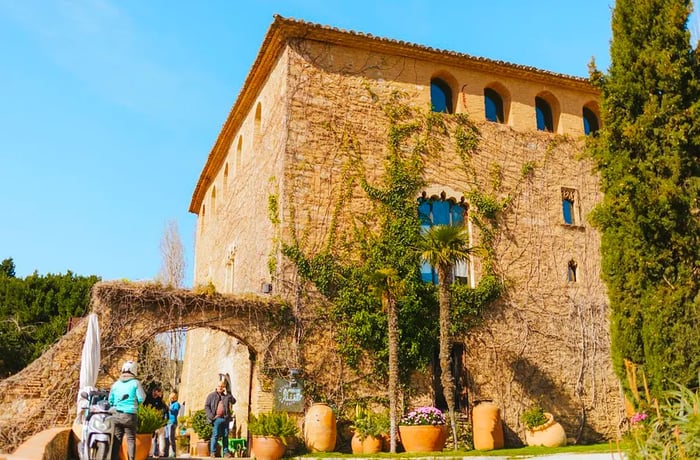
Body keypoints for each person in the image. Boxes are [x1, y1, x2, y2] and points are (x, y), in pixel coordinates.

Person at [108, 360, 146, 460]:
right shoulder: (135, 383)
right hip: (130, 415)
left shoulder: (115, 384)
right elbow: (142, 398)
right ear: (134, 371)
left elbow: (110, 400)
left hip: (116, 415)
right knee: (130, 439)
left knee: (116, 439)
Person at [204, 381, 236, 458]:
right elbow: (207, 406)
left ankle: (225, 453)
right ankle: (213, 452)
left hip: (225, 418)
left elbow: (233, 401)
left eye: (222, 386)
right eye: (219, 386)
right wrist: (212, 416)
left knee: (225, 435)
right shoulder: (211, 395)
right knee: (215, 435)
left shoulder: (226, 396)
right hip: (216, 419)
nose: (220, 388)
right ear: (217, 387)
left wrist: (228, 393)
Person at [144, 385, 168, 457]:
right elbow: (144, 406)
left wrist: (161, 416)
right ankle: (150, 453)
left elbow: (164, 408)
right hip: (150, 419)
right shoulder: (148, 397)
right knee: (152, 436)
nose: (159, 395)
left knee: (161, 436)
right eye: (158, 392)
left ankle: (161, 452)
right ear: (155, 391)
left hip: (159, 420)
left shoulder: (159, 399)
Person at [163, 392, 181, 458]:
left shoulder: (176, 404)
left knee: (171, 438)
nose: (170, 399)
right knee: (166, 438)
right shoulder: (170, 404)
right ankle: (166, 453)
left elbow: (175, 412)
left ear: (174, 398)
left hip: (172, 423)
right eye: (170, 398)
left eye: (172, 398)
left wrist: (169, 408)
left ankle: (173, 453)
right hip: (167, 423)